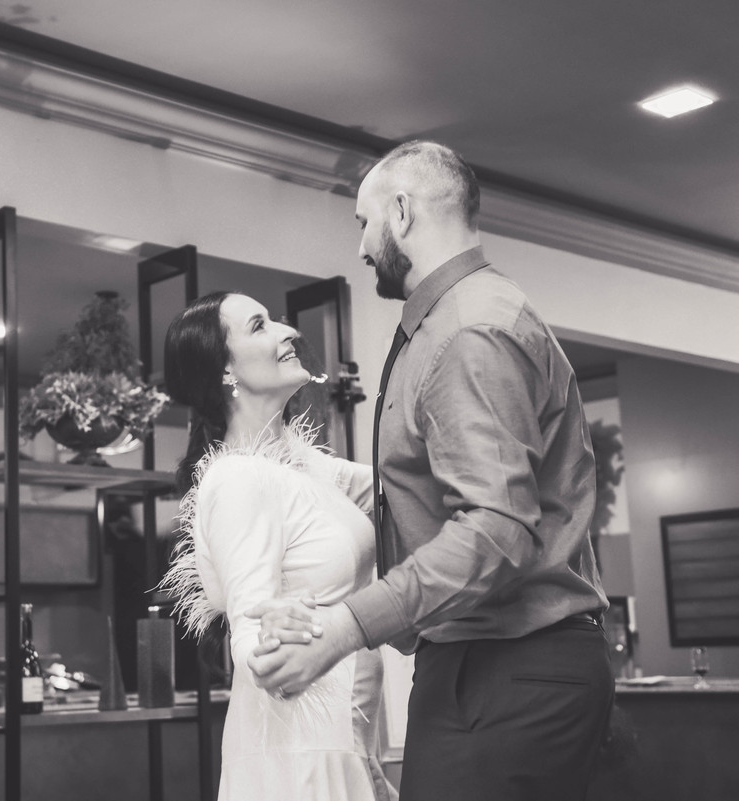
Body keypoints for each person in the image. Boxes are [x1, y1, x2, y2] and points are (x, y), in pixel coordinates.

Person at [246, 140, 614, 801]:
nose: (361, 246)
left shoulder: (468, 331)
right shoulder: (457, 318)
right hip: (490, 666)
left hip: (509, 667)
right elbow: (427, 487)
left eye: (364, 222)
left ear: (402, 211)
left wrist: (346, 627)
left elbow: (496, 528)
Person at [159, 291, 398, 801]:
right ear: (226, 370)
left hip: (345, 741)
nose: (288, 332)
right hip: (300, 753)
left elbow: (395, 486)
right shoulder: (238, 479)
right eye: (259, 325)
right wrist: (267, 650)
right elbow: (249, 626)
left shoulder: (302, 466)